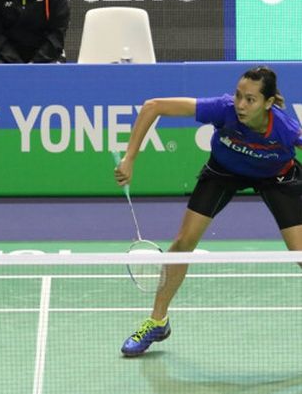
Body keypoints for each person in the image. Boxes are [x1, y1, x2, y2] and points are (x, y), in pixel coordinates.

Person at [114, 66, 302, 356]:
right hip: (224, 170)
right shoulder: (223, 109)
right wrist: (129, 158)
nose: (241, 105)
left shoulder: (285, 129)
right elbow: (153, 106)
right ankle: (157, 321)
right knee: (183, 244)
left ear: (268, 102)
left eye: (250, 100)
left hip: (276, 176)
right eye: (239, 95)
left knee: (300, 254)